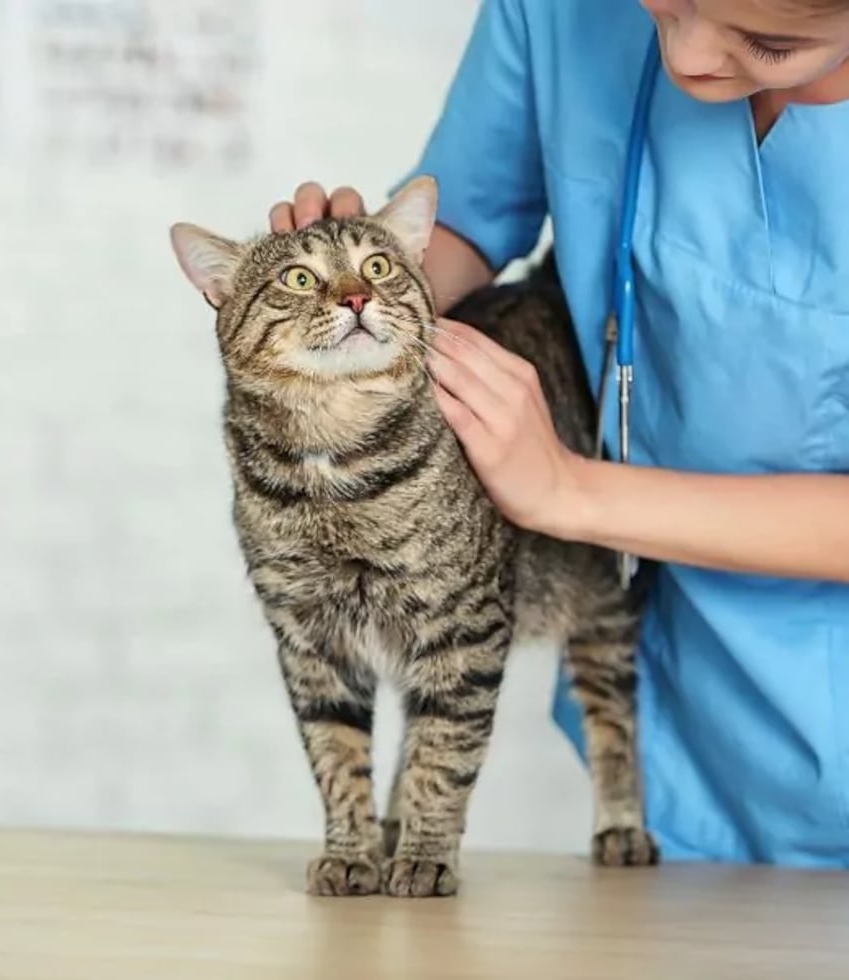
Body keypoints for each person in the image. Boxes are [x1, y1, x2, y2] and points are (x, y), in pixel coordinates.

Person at [268, 0, 849, 866]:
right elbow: (465, 216)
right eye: (665, 2)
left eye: (770, 43)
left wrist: (570, 490)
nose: (687, 58)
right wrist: (364, 283)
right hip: (681, 735)